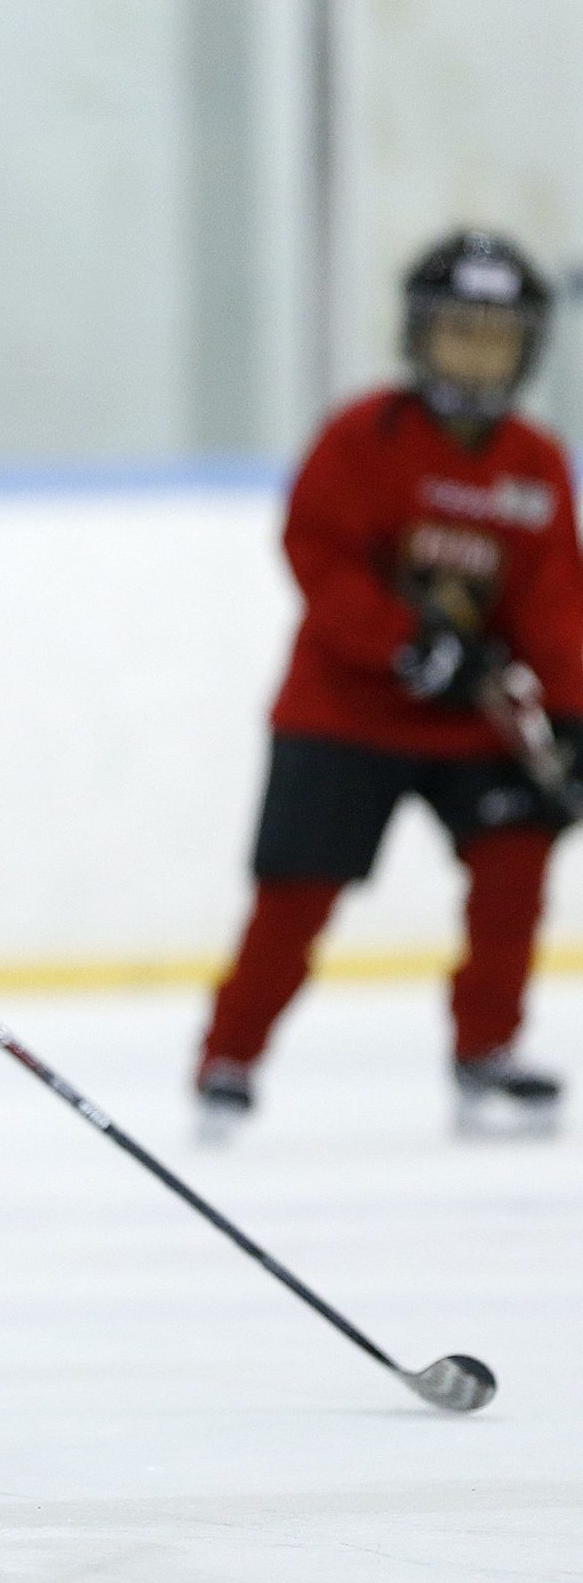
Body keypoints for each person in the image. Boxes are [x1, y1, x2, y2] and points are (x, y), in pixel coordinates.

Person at [195, 230, 578, 1142]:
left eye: (498, 334)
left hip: (471, 724)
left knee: (516, 861)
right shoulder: (363, 436)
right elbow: (317, 557)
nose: (478, 352)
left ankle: (487, 1052)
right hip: (343, 712)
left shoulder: (535, 463)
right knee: (296, 890)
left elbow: (555, 601)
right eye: (459, 331)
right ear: (418, 335)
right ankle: (230, 1056)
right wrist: (404, 645)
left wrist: (569, 714)